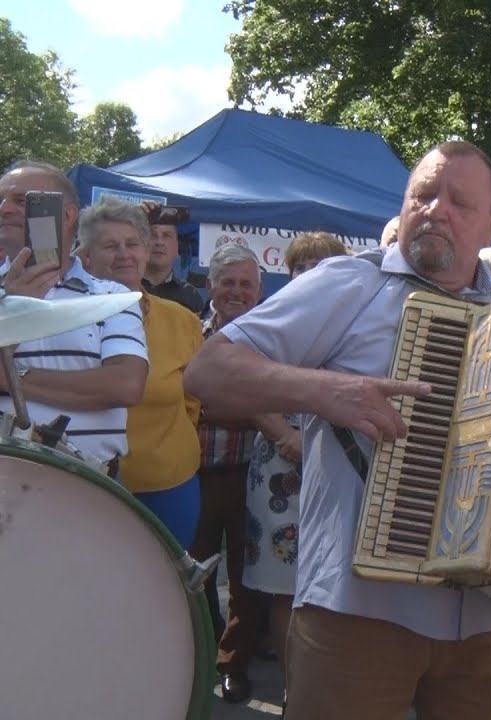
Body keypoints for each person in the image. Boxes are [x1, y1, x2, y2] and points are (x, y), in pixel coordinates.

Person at [184, 140, 491, 720]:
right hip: (355, 606)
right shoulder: (350, 283)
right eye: (424, 194)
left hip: (486, 614)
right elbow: (208, 371)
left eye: (460, 202)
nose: (437, 209)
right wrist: (327, 392)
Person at [242, 231, 352, 707]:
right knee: (286, 587)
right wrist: (285, 436)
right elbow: (242, 387)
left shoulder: (353, 319)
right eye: (300, 266)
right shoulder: (270, 320)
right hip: (280, 469)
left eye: (319, 264)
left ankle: (334, 688)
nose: (308, 274)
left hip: (340, 467)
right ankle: (295, 693)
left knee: (337, 584)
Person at [0, 161, 148, 472]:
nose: (4, 209)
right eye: (1, 199)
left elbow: (124, 385)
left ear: (67, 215)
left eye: (21, 200)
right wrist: (13, 311)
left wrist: (12, 378)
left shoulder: (112, 296)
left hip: (87, 486)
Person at [77, 197, 204, 548]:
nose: (124, 254)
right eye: (110, 246)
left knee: (166, 593)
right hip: (82, 483)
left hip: (168, 486)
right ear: (85, 257)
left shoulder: (183, 321)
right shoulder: (63, 318)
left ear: (146, 252)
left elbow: (193, 399)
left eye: (133, 244)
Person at [190, 242, 270, 704]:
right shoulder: (192, 334)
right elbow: (188, 399)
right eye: (227, 283)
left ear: (259, 291)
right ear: (210, 286)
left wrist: (218, 404)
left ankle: (232, 665)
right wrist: (242, 406)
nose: (236, 291)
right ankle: (200, 649)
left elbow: (269, 405)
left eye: (245, 284)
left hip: (248, 475)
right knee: (192, 569)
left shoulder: (268, 340)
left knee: (246, 577)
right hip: (195, 475)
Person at [140, 203, 205, 315]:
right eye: (152, 235)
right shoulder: (127, 288)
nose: (159, 242)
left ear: (177, 247)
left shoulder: (189, 295)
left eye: (166, 235)